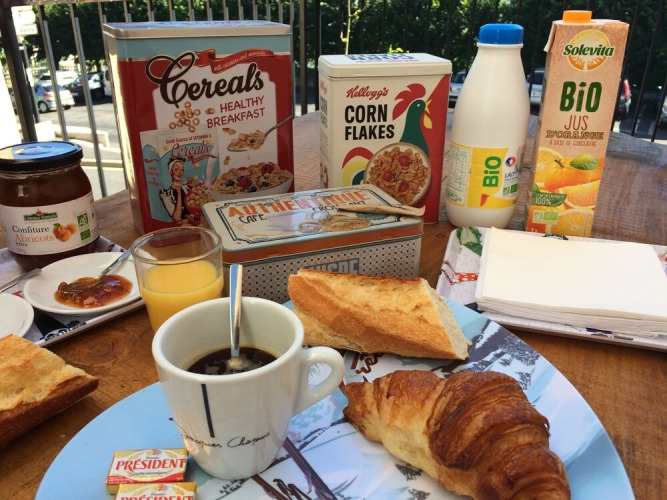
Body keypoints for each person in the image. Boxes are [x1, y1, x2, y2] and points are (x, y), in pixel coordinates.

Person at [159, 156, 194, 222]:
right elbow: (176, 218)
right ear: (171, 171)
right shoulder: (166, 195)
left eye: (182, 170)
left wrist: (193, 189)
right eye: (176, 169)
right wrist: (179, 193)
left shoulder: (187, 187)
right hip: (181, 226)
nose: (180, 172)